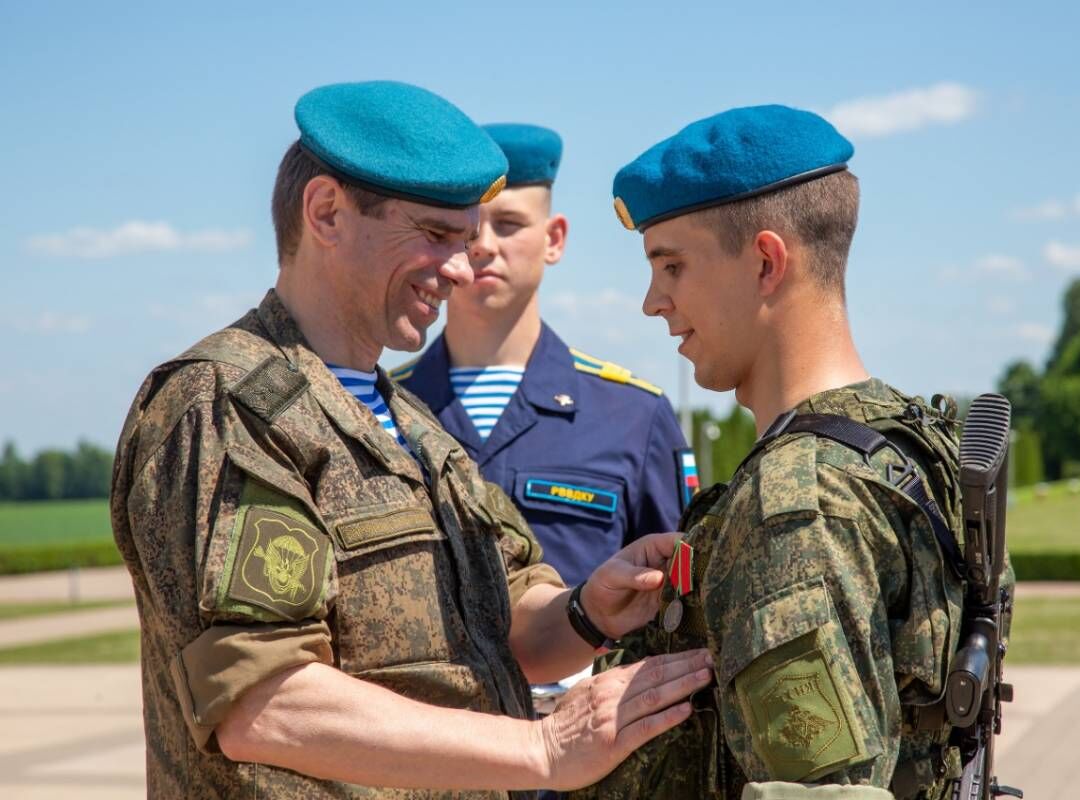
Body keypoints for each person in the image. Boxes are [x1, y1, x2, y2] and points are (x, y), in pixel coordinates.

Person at [109, 80, 712, 799]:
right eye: (435, 235)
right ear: (327, 212)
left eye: (468, 240)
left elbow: (510, 626)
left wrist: (585, 610)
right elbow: (265, 702)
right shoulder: (227, 404)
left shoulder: (414, 426)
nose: (462, 269)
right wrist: (543, 746)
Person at [568, 106, 975, 800]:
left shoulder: (797, 504)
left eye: (672, 265)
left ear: (765, 261)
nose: (651, 302)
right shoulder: (904, 440)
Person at [391, 122, 693, 592]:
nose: (484, 246)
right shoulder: (378, 407)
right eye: (465, 229)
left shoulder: (634, 416)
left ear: (554, 239)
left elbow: (678, 600)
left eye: (508, 225)